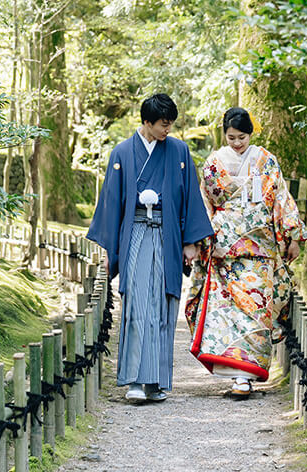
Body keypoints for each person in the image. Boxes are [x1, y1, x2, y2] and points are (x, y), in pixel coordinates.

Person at [88, 93, 214, 403]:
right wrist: (110, 250)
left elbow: (190, 200)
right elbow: (111, 204)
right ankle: (135, 379)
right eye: (162, 124)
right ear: (146, 122)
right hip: (136, 235)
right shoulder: (122, 153)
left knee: (163, 306)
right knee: (138, 305)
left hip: (167, 235)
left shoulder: (180, 152)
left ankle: (155, 381)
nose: (167, 130)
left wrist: (189, 242)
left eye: (170, 124)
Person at [186, 106, 307, 396]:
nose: (237, 143)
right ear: (224, 135)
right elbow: (206, 203)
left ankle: (247, 375)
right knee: (227, 309)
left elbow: (281, 198)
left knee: (257, 308)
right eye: (231, 138)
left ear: (250, 134)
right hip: (224, 246)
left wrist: (291, 236)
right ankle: (235, 373)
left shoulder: (266, 160)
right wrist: (202, 237)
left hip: (260, 246)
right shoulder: (214, 162)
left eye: (241, 137)